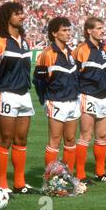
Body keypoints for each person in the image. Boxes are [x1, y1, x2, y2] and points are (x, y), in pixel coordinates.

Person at [0, 2, 37, 194]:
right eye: (17, 14)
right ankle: (3, 184)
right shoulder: (0, 42)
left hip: (24, 95)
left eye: (22, 13)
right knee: (6, 139)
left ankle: (19, 183)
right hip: (7, 94)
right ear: (7, 17)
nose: (22, 16)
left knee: (22, 139)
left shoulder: (25, 41)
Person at [34, 17, 80, 172]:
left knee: (71, 139)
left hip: (73, 101)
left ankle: (68, 177)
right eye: (64, 31)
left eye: (69, 30)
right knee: (55, 140)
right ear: (54, 33)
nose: (68, 33)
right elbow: (39, 80)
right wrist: (46, 99)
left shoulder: (70, 52)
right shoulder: (47, 54)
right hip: (56, 101)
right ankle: (51, 178)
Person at [73, 17, 106, 184]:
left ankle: (100, 172)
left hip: (103, 96)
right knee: (85, 136)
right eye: (98, 28)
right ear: (89, 31)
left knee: (102, 136)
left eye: (103, 27)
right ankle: (80, 174)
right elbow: (74, 74)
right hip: (87, 95)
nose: (102, 30)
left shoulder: (104, 49)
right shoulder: (81, 50)